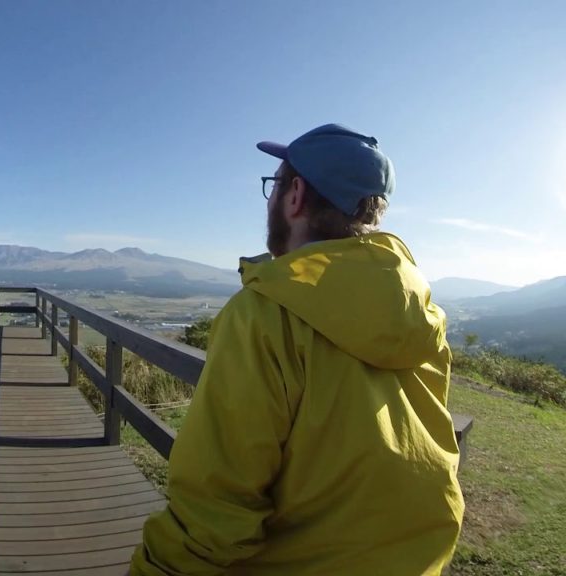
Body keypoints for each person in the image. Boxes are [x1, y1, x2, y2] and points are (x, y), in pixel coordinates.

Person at [131, 124, 464, 575]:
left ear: (294, 196)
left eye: (274, 185)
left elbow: (213, 511)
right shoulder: (420, 308)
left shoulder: (264, 314)